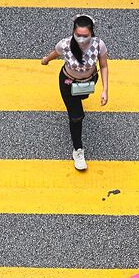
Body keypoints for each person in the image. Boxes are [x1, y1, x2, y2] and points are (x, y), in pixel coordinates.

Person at [41, 14, 109, 170]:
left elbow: (104, 66)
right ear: (73, 32)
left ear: (92, 34)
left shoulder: (99, 45)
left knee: (82, 99)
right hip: (68, 83)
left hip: (89, 82)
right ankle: (78, 150)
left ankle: (78, 107)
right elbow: (55, 53)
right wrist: (45, 60)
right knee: (76, 117)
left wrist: (105, 90)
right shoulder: (64, 44)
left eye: (85, 36)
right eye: (78, 35)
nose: (81, 39)